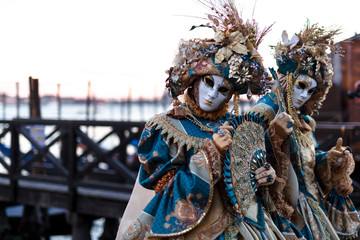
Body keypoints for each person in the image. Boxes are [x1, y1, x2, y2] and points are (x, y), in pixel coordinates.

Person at [116, 0, 285, 239]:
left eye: (224, 90)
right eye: (209, 83)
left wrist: (262, 176)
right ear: (195, 81)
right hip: (189, 229)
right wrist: (211, 153)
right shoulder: (166, 127)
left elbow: (244, 181)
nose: (213, 94)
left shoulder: (236, 126)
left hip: (242, 227)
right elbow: (165, 190)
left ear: (231, 96)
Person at [246, 22, 360, 239]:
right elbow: (249, 162)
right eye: (300, 85)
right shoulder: (264, 112)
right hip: (285, 211)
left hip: (313, 206)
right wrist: (274, 137)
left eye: (311, 90)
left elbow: (309, 162)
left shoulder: (303, 120)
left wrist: (329, 159)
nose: (304, 95)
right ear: (287, 78)